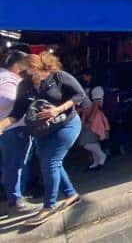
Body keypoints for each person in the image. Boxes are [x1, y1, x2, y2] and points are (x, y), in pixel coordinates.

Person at [0, 52, 86, 226]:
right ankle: (71, 195)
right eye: (23, 73)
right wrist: (1, 125)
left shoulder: (58, 77)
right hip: (43, 131)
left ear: (38, 67)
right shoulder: (25, 85)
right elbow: (16, 114)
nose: (25, 76)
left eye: (28, 72)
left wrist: (58, 109)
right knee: (50, 162)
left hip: (66, 125)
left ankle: (49, 206)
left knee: (50, 163)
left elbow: (79, 95)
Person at [0, 50, 35, 215]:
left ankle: (16, 198)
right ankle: (16, 201)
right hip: (13, 128)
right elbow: (7, 100)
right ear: (17, 65)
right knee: (15, 165)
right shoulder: (8, 80)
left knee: (13, 165)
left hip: (10, 129)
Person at [77, 69, 108, 171]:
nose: (84, 78)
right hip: (87, 115)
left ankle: (101, 156)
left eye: (86, 76)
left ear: (90, 76)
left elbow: (96, 105)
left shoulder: (97, 89)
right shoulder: (89, 88)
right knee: (92, 140)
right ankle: (96, 161)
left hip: (93, 116)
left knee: (86, 141)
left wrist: (90, 119)